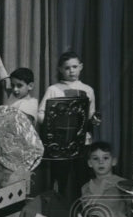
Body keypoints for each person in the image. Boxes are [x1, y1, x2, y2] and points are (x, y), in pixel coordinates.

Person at [38, 51, 100, 199]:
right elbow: (40, 115)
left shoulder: (88, 90)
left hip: (82, 142)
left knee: (82, 179)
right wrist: (53, 122)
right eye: (67, 68)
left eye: (74, 66)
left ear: (81, 67)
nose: (71, 71)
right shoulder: (53, 89)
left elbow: (90, 115)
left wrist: (94, 120)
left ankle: (82, 212)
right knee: (60, 179)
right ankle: (58, 213)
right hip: (60, 144)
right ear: (60, 69)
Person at [0, 44, 38, 122]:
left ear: (30, 86)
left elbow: (18, 123)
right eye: (13, 85)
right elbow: (3, 77)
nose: (15, 89)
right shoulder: (14, 95)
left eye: (19, 86)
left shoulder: (30, 104)